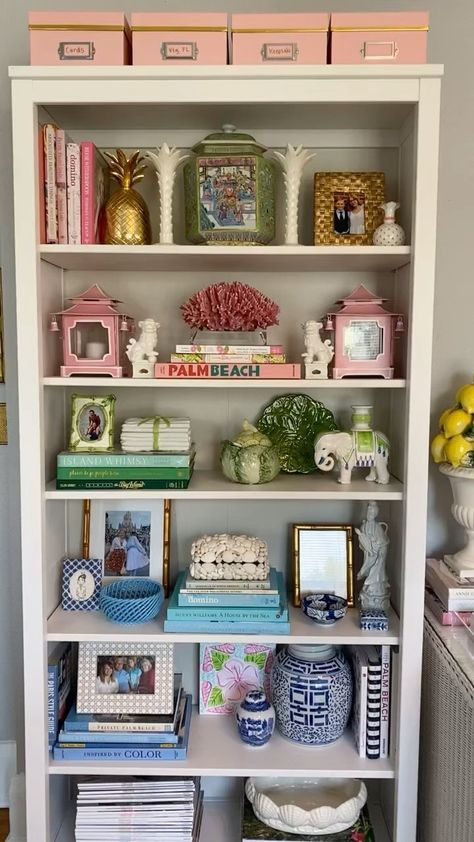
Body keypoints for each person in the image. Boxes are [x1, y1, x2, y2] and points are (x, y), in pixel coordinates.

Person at [355, 501, 390, 611]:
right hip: (369, 554)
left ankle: (375, 589)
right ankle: (369, 589)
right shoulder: (364, 525)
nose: (369, 513)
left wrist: (377, 545)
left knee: (377, 570)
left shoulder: (377, 527)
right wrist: (365, 542)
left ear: (375, 513)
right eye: (368, 511)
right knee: (368, 568)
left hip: (378, 554)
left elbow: (383, 541)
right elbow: (363, 541)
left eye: (371, 511)